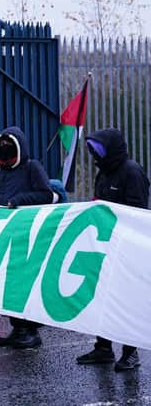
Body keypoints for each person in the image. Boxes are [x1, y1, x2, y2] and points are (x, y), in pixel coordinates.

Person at [76, 128, 149, 372]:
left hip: (127, 249)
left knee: (126, 300)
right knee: (101, 296)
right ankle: (103, 348)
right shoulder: (103, 174)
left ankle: (130, 353)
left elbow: (137, 213)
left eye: (99, 151)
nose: (96, 157)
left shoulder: (132, 172)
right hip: (105, 247)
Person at [0, 126, 56, 349]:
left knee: (24, 282)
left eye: (8, 146)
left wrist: (20, 199)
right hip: (2, 236)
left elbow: (46, 194)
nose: (3, 150)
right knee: (6, 283)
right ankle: (17, 327)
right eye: (0, 146)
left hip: (27, 236)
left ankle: (31, 330)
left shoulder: (32, 167)